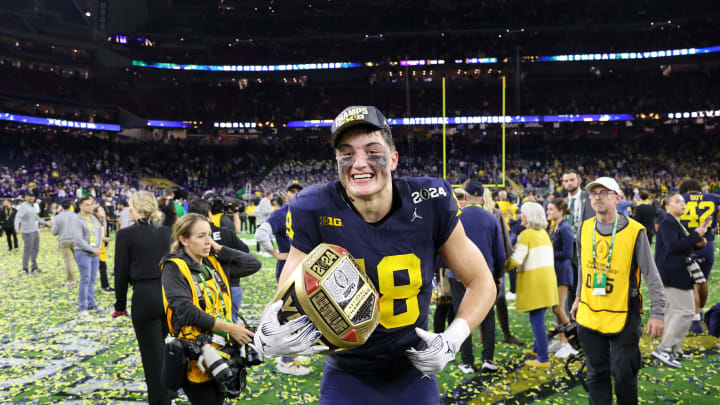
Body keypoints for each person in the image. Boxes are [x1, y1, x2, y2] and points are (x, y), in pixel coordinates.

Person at [253, 106, 497, 404]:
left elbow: (481, 281)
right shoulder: (314, 207)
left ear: (393, 159)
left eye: (372, 151)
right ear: (337, 163)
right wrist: (269, 326)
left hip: (412, 371)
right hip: (347, 374)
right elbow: (286, 292)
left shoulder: (430, 202)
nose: (359, 163)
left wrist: (454, 337)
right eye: (347, 154)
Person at [570, 177, 665, 405]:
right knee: (596, 374)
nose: (598, 197)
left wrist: (658, 312)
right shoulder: (584, 228)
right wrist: (577, 296)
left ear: (618, 198)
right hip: (590, 309)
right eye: (594, 193)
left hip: (624, 311)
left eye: (604, 192)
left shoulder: (635, 231)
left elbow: (651, 274)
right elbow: (583, 266)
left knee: (624, 374)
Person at [160, 213, 256, 405]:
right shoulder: (174, 267)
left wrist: (221, 249)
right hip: (198, 356)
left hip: (224, 350)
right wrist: (230, 328)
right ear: (184, 240)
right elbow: (185, 310)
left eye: (209, 235)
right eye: (200, 236)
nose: (208, 242)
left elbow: (253, 264)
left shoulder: (213, 262)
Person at [112, 191, 172, 405]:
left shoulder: (126, 234)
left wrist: (120, 305)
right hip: (168, 296)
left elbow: (120, 273)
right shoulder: (167, 233)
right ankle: (168, 395)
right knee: (162, 350)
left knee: (152, 357)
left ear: (135, 208)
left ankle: (160, 400)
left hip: (145, 297)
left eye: (130, 205)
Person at [254, 180, 310, 375]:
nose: (295, 195)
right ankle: (286, 360)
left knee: (304, 312)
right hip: (289, 268)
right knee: (288, 313)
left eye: (298, 191)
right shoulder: (281, 214)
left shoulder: (307, 212)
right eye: (291, 191)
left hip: (306, 270)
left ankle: (294, 353)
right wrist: (276, 254)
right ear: (286, 195)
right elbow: (261, 233)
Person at [450, 182, 506, 374]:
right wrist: (498, 275)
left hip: (459, 275)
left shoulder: (456, 216)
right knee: (487, 317)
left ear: (464, 196)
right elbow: (500, 253)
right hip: (484, 276)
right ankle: (487, 360)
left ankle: (467, 362)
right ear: (482, 198)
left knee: (462, 318)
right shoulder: (491, 218)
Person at [652, 193, 709, 368]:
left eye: (683, 201)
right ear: (667, 206)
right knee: (685, 311)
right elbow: (673, 247)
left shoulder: (674, 222)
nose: (683, 204)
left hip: (672, 271)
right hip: (673, 271)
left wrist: (696, 241)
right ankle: (665, 349)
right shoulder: (668, 221)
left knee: (675, 311)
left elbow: (680, 244)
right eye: (677, 201)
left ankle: (674, 350)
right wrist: (695, 235)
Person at [505, 202, 558, 368]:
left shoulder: (526, 235)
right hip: (547, 281)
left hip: (535, 282)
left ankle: (543, 359)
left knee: (537, 321)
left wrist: (503, 265)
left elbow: (517, 260)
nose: (521, 216)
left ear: (529, 216)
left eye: (523, 213)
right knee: (539, 317)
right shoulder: (543, 233)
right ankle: (537, 349)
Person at [187, 198, 253, 324]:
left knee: (204, 327)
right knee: (231, 327)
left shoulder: (187, 238)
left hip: (200, 287)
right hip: (230, 285)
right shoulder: (226, 233)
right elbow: (245, 254)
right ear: (209, 215)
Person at [482, 188, 524, 346]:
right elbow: (505, 240)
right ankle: (505, 333)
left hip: (480, 263)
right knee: (499, 299)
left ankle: (485, 334)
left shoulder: (493, 213)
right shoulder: (496, 214)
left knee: (485, 299)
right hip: (494, 262)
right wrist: (506, 259)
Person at [679, 179, 720, 334]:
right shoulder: (713, 198)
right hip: (707, 244)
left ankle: (695, 320)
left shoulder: (679, 199)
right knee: (702, 281)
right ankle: (700, 311)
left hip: (687, 244)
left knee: (691, 283)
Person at [545, 198, 577, 358]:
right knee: (556, 308)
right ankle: (560, 339)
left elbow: (568, 253)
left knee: (558, 308)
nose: (548, 212)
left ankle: (571, 342)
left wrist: (549, 253)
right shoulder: (555, 227)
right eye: (548, 209)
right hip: (556, 271)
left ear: (561, 211)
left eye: (551, 209)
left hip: (563, 272)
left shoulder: (565, 228)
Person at [562, 169, 595, 317]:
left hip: (586, 246)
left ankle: (590, 315)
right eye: (566, 181)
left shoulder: (590, 198)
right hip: (567, 248)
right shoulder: (562, 202)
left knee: (588, 283)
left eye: (571, 180)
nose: (569, 183)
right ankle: (573, 320)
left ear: (579, 181)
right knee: (570, 285)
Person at [73, 195, 103, 314]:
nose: (90, 207)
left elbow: (100, 232)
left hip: (94, 251)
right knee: (85, 279)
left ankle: (91, 304)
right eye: (87, 205)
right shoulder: (77, 220)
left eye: (91, 204)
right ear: (80, 206)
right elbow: (78, 239)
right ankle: (82, 306)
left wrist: (98, 248)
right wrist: (92, 249)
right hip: (83, 252)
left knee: (92, 279)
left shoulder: (93, 218)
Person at [15, 190, 51, 274]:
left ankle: (34, 267)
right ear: (26, 197)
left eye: (33, 196)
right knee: (27, 250)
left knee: (35, 249)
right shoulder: (23, 206)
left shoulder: (33, 206)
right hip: (27, 232)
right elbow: (18, 217)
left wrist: (46, 223)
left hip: (35, 231)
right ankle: (25, 268)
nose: (32, 197)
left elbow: (37, 218)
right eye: (29, 196)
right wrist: (17, 227)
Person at [51, 199, 77, 287]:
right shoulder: (75, 216)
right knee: (80, 260)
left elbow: (54, 232)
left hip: (64, 241)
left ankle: (71, 281)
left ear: (61, 207)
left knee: (68, 261)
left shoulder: (58, 217)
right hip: (76, 240)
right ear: (70, 206)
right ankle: (86, 278)